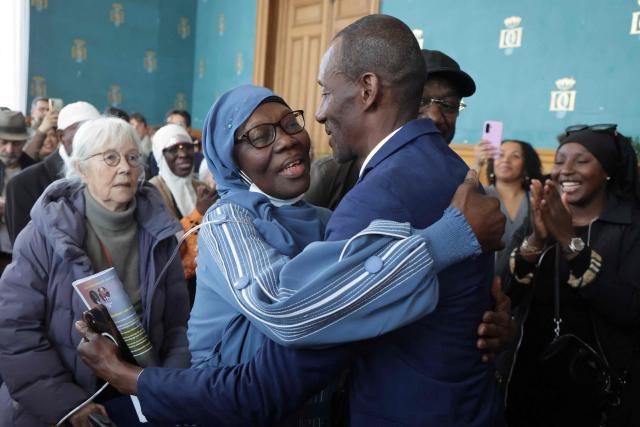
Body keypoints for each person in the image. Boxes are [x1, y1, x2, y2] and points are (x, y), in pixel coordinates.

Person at [78, 15, 508, 426]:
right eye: (261, 136)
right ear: (232, 160)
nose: (300, 131)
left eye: (292, 121)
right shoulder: (229, 222)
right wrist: (445, 241)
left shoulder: (342, 212)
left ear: (367, 91)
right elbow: (285, 312)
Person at [0, 117, 190, 426]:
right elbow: (14, 329)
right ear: (81, 168)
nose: (125, 168)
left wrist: (164, 390)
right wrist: (68, 405)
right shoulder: (44, 234)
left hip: (142, 398)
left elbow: (178, 327)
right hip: (57, 405)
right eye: (110, 158)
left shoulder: (160, 234)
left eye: (132, 158)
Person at [503, 125, 640, 426]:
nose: (566, 171)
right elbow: (508, 295)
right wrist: (536, 241)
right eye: (560, 160)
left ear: (607, 171)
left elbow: (630, 309)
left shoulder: (629, 226)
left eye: (581, 160)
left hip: (601, 387)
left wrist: (568, 241)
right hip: (529, 376)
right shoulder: (540, 216)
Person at [305, 48, 475, 210]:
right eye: (420, 101)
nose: (435, 117)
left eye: (449, 105)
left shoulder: (464, 185)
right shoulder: (329, 176)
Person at [5, 101, 101, 243]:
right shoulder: (24, 184)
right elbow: (25, 250)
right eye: (81, 133)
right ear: (61, 136)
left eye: (96, 134)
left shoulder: (108, 175)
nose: (88, 141)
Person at [149, 124, 217, 300]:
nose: (183, 153)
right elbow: (169, 246)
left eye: (187, 147)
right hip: (173, 286)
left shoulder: (201, 187)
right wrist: (199, 213)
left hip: (207, 280)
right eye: (173, 149)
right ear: (161, 156)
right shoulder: (152, 192)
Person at [475, 139, 543, 276]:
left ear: (526, 166)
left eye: (515, 156)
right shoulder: (481, 194)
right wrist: (477, 164)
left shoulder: (536, 199)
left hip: (525, 279)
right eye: (500, 155)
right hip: (484, 280)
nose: (506, 160)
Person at [0, 111, 35, 269]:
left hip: (22, 256)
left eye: (16, 144)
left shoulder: (34, 170)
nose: (9, 149)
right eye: (4, 142)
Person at [23, 97, 59, 161]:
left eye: (48, 110)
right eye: (41, 109)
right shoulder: (23, 131)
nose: (46, 113)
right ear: (32, 112)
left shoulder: (56, 128)